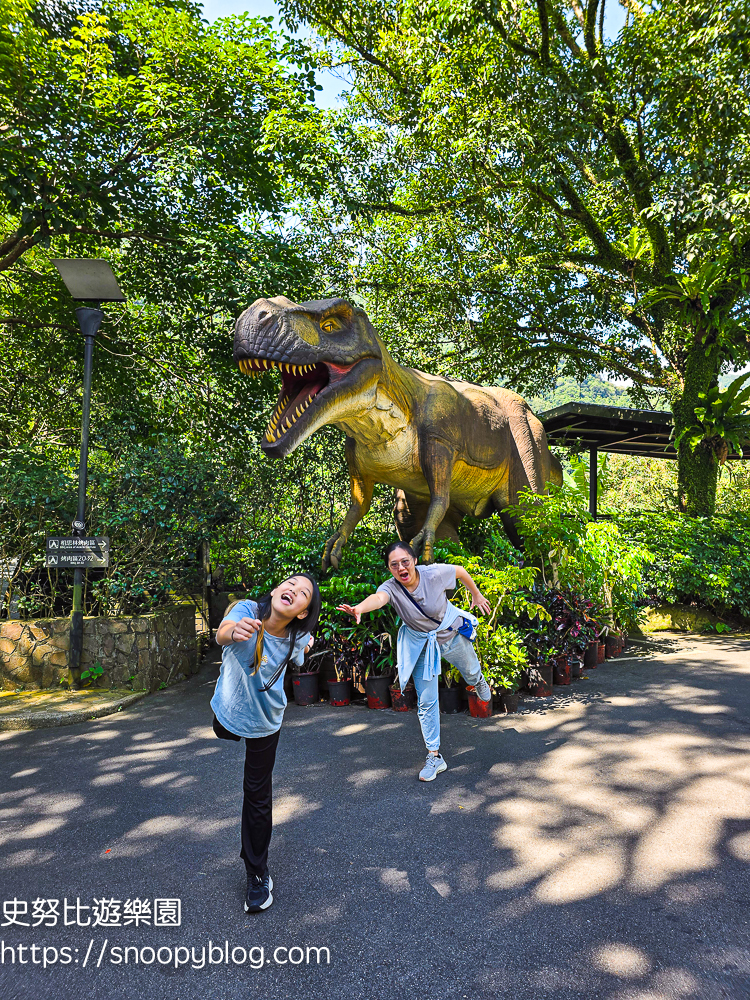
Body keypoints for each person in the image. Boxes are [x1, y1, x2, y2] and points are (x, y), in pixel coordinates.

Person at [337, 541, 492, 782]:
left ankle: (478, 680)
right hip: (421, 645)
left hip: (449, 634)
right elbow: (378, 598)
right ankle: (434, 756)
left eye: (405, 562)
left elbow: (460, 572)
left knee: (471, 671)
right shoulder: (391, 587)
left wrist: (476, 593)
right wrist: (359, 608)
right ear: (389, 569)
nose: (401, 568)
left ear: (415, 561)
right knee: (427, 701)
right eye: (394, 564)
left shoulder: (434, 574)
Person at [212, 574, 321, 913]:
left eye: (303, 594)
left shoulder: (297, 635)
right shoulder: (247, 610)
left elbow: (303, 648)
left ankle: (256, 874)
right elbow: (222, 633)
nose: (293, 591)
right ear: (276, 590)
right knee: (224, 732)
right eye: (290, 584)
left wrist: (307, 642)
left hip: (266, 722)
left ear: (303, 612)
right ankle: (256, 871)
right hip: (228, 713)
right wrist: (234, 631)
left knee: (257, 795)